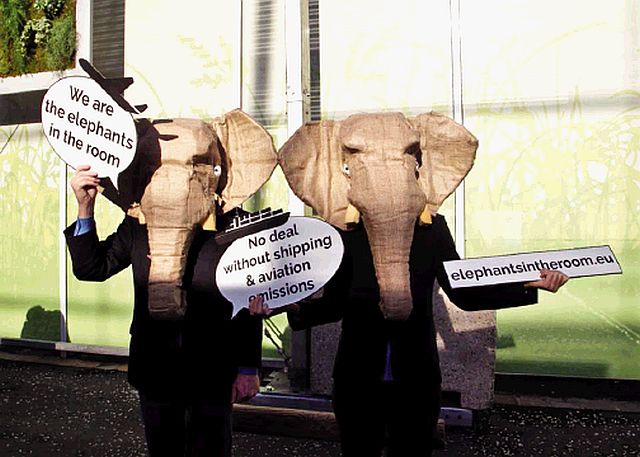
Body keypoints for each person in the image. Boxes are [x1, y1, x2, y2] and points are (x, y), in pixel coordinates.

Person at [276, 214, 569, 457]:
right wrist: (291, 305)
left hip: (416, 376)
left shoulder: (432, 228)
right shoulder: (347, 231)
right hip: (358, 376)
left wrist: (527, 286)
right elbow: (334, 303)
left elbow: (463, 293)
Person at [65, 165, 268, 457]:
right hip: (155, 367)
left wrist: (248, 367)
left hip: (213, 369)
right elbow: (92, 268)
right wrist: (85, 207)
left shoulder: (236, 224)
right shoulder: (139, 223)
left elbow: (250, 297)